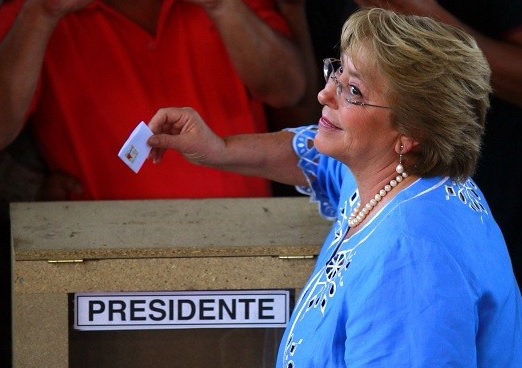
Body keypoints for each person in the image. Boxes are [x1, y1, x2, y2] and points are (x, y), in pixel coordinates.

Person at [145, 8, 522, 367]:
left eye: (353, 91)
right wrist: (219, 149)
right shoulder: (400, 172)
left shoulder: (410, 263)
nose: (326, 94)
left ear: (411, 135)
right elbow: (316, 156)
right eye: (337, 71)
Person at [0, 0, 306, 201]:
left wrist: (221, 5)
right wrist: (43, 12)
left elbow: (287, 90)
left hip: (244, 243)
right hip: (99, 257)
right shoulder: (33, 12)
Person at [351, 0, 522, 287]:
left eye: (351, 88)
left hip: (492, 197)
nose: (328, 93)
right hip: (387, 202)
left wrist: (425, 18)